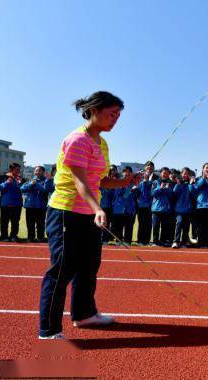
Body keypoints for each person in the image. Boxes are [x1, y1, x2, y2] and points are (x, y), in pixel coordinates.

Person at [39, 91, 138, 339]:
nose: (115, 119)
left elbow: (99, 181)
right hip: (66, 212)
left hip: (89, 214)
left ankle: (84, 314)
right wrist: (98, 209)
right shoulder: (77, 140)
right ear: (94, 110)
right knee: (62, 269)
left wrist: (124, 182)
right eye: (111, 114)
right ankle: (48, 330)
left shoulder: (102, 143)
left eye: (118, 116)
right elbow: (81, 182)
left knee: (89, 265)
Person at [20, 166, 53, 242]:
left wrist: (37, 184)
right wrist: (30, 184)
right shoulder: (30, 180)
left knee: (40, 224)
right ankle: (30, 237)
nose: (37, 172)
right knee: (30, 223)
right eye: (36, 171)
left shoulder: (47, 180)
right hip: (30, 205)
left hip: (41, 206)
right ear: (34, 172)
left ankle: (40, 237)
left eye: (39, 171)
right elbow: (22, 189)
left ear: (43, 172)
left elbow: (46, 190)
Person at [111, 166, 139, 244]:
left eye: (128, 173)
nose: (126, 174)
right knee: (118, 227)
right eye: (125, 173)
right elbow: (120, 194)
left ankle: (127, 242)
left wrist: (134, 188)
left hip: (129, 209)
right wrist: (129, 188)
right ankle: (118, 241)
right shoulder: (119, 182)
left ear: (131, 174)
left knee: (129, 227)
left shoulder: (134, 184)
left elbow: (137, 195)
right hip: (119, 209)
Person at [0, 163, 24, 242]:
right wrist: (6, 183)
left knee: (15, 222)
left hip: (17, 204)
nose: (19, 171)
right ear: (11, 170)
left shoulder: (21, 179)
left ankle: (13, 236)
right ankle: (4, 236)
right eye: (17, 169)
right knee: (4, 222)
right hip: (6, 203)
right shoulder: (3, 177)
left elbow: (24, 189)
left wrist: (20, 183)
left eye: (19, 169)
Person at [151, 167, 174, 247]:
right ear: (160, 173)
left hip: (166, 209)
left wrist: (167, 189)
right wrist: (160, 188)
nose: (165, 174)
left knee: (165, 227)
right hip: (156, 208)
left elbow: (172, 196)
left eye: (167, 173)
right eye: (164, 173)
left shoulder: (170, 183)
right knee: (155, 226)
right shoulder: (155, 182)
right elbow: (153, 194)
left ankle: (163, 241)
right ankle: (155, 241)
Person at [172, 168, 194, 248]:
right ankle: (176, 241)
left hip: (188, 209)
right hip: (179, 209)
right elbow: (174, 193)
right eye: (184, 173)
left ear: (189, 175)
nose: (185, 175)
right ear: (181, 174)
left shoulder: (191, 184)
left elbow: (194, 194)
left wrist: (191, 184)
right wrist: (178, 184)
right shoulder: (179, 183)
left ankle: (184, 242)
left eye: (187, 173)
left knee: (186, 226)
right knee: (179, 223)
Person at [137, 161, 157, 246]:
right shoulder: (140, 176)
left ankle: (147, 240)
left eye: (151, 166)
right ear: (145, 167)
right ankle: (140, 240)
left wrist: (149, 182)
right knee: (141, 222)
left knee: (148, 223)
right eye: (148, 166)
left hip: (151, 204)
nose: (150, 167)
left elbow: (155, 189)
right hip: (140, 203)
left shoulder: (156, 178)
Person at [100, 165, 117, 243]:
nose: (112, 171)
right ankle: (102, 238)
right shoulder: (103, 179)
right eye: (110, 170)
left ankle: (108, 239)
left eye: (113, 170)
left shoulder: (117, 181)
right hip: (103, 205)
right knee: (102, 223)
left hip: (112, 206)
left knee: (111, 223)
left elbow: (114, 194)